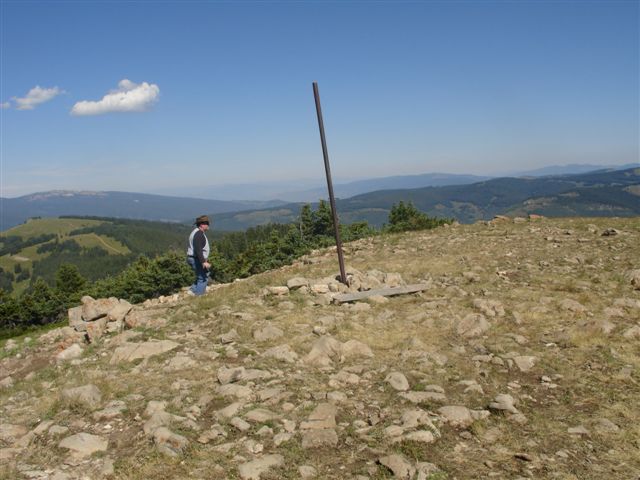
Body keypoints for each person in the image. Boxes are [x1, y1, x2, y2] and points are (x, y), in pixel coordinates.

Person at [186, 215, 211, 295]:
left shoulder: (196, 232)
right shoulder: (199, 234)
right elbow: (198, 249)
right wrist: (203, 262)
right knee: (203, 278)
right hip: (196, 258)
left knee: (203, 274)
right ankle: (199, 296)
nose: (208, 225)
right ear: (201, 225)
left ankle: (192, 291)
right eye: (206, 223)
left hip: (194, 258)